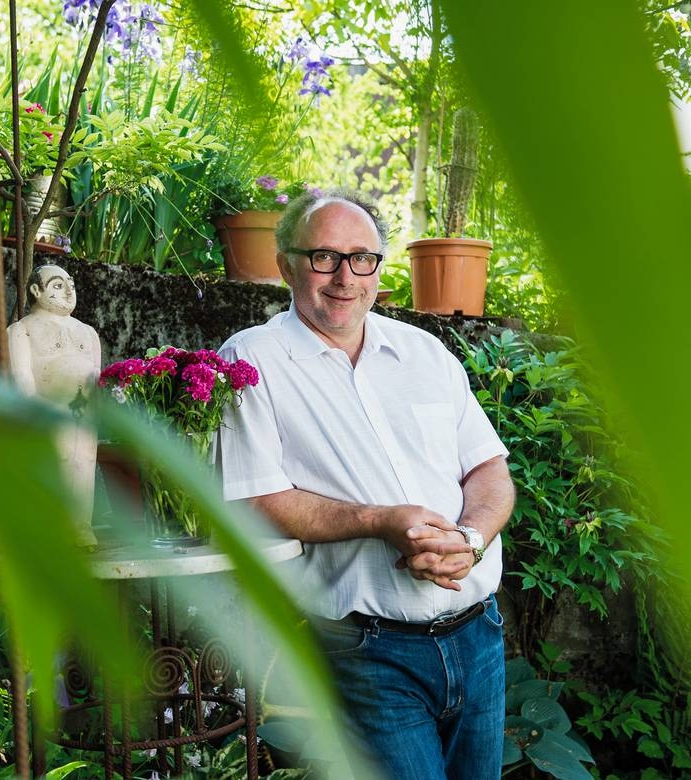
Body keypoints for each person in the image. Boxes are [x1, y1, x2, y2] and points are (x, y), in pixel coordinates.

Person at [217, 190, 515, 779]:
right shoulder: (251, 362)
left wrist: (472, 538)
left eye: (361, 258)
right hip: (370, 651)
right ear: (285, 265)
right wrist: (380, 521)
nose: (344, 277)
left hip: (479, 636)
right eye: (323, 257)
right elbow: (254, 498)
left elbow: (489, 470)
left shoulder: (424, 352)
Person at [8, 264, 102, 547]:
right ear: (36, 290)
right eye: (58, 285)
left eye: (71, 284)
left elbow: (95, 375)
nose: (69, 291)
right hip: (46, 411)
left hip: (83, 412)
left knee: (84, 463)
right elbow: (22, 377)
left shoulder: (88, 333)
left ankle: (81, 525)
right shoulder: (22, 330)